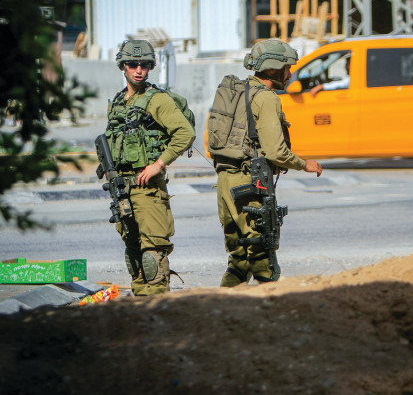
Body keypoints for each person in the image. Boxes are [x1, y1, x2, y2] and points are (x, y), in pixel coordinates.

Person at [209, 39, 323, 286]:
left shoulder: (239, 91)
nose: (290, 73)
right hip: (250, 184)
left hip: (225, 183)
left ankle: (225, 311)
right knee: (264, 260)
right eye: (286, 67)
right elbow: (276, 152)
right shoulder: (267, 98)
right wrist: (305, 164)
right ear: (273, 68)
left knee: (239, 259)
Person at [104, 40, 195, 295]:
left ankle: (157, 310)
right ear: (123, 66)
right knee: (133, 254)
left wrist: (158, 164)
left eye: (144, 65)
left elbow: (185, 134)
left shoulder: (157, 100)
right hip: (122, 189)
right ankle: (140, 309)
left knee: (151, 254)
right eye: (132, 64)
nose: (138, 70)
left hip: (147, 189)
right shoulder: (118, 102)